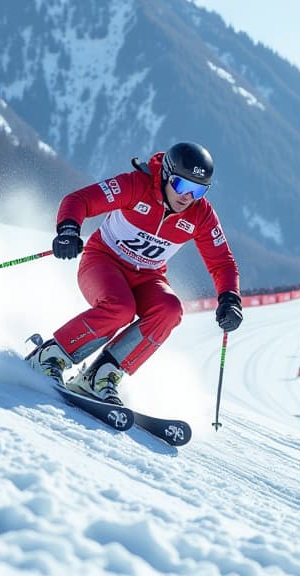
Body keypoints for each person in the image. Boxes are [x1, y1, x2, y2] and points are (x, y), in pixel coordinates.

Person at [26, 142, 242, 405]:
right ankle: (50, 356)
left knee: (170, 309)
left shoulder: (201, 215)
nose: (187, 197)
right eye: (181, 185)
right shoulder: (136, 186)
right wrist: (69, 230)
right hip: (103, 261)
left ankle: (102, 374)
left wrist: (230, 298)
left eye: (198, 190)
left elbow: (222, 263)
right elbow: (79, 200)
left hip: (148, 276)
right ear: (165, 175)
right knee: (120, 308)